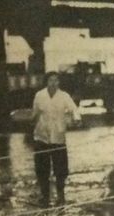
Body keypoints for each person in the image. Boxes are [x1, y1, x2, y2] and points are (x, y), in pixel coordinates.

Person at [32, 72, 80, 208]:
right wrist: (32, 127)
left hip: (58, 137)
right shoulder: (39, 95)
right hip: (41, 136)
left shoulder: (64, 96)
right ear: (46, 82)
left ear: (59, 82)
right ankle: (45, 197)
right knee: (42, 169)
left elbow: (74, 109)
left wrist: (77, 119)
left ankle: (61, 196)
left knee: (60, 169)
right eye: (51, 80)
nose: (53, 83)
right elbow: (35, 113)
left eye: (56, 80)